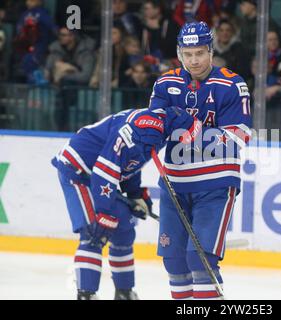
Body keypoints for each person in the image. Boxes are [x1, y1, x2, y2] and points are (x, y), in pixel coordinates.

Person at [148, 21, 252, 300]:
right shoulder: (165, 83)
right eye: (188, 54)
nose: (194, 60)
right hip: (174, 184)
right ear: (180, 54)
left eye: (200, 53)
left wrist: (189, 130)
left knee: (200, 260)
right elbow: (153, 128)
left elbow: (239, 137)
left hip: (215, 186)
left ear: (211, 51)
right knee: (174, 262)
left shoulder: (232, 84)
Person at [51, 107, 185, 299]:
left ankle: (124, 292)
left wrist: (135, 193)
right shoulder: (142, 129)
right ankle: (86, 294)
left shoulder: (156, 128)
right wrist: (104, 211)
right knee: (95, 231)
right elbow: (105, 169)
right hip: (78, 171)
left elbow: (129, 161)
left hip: (100, 174)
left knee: (124, 230)